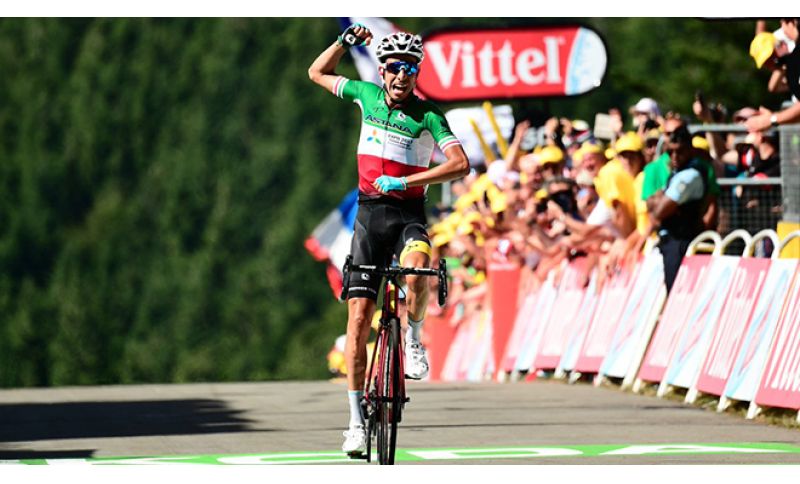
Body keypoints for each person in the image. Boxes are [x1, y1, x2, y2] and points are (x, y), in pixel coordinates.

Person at [308, 24, 469, 456]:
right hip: (369, 217)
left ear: (417, 74)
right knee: (359, 320)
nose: (402, 75)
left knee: (417, 273)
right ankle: (355, 423)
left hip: (408, 216)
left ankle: (413, 338)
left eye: (410, 69)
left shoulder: (428, 115)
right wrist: (343, 43)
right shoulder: (366, 94)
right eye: (395, 68)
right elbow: (317, 73)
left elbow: (460, 164)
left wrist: (409, 182)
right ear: (382, 71)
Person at [647, 127, 708, 293]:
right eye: (670, 152)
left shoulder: (690, 176)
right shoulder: (676, 173)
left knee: (675, 294)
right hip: (669, 239)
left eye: (679, 151)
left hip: (681, 241)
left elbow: (659, 211)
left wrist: (659, 201)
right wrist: (659, 201)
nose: (674, 156)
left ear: (690, 150)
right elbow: (650, 202)